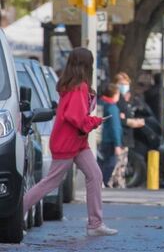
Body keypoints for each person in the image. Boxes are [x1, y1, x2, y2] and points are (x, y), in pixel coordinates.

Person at [22, 47, 118, 236]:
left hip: (76, 142)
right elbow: (76, 118)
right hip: (69, 142)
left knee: (95, 175)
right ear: (86, 65)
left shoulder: (72, 86)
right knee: (51, 182)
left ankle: (95, 224)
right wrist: (96, 121)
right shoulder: (78, 87)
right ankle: (16, 214)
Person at [98, 83, 123, 187]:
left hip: (99, 139)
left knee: (100, 162)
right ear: (114, 94)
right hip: (109, 140)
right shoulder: (112, 108)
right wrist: (117, 144)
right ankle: (101, 181)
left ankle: (99, 181)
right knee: (111, 163)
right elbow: (115, 127)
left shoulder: (100, 104)